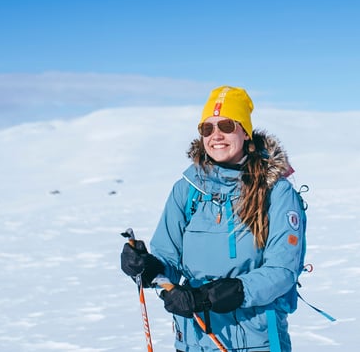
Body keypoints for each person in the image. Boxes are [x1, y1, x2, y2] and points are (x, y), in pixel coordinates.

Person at [121, 85, 307, 352]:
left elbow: (282, 272)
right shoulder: (187, 189)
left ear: (245, 131)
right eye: (207, 129)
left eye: (227, 125)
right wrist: (146, 266)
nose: (216, 136)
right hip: (194, 339)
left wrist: (212, 296)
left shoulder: (276, 191)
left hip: (257, 341)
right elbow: (167, 260)